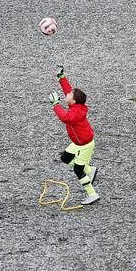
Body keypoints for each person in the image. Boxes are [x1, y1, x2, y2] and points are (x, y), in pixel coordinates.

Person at [48, 67, 99, 205]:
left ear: (74, 101)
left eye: (70, 95)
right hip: (78, 143)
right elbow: (67, 89)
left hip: (84, 144)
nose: (67, 94)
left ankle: (92, 194)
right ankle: (90, 170)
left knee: (77, 169)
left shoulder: (75, 113)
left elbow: (64, 117)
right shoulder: (75, 106)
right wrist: (61, 77)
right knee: (65, 157)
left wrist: (55, 105)